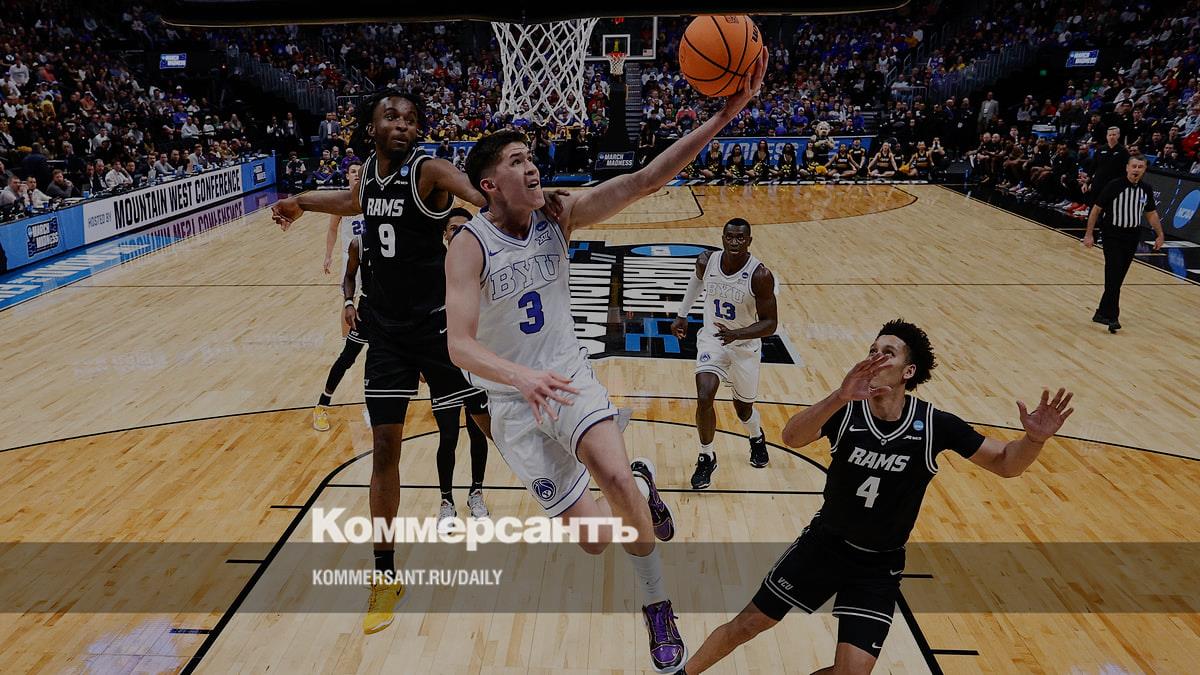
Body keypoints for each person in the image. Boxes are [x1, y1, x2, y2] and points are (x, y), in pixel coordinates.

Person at [445, 50, 768, 674]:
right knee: (596, 540)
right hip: (514, 401)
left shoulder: (558, 214)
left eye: (531, 157)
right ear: (489, 184)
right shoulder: (469, 246)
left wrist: (728, 114)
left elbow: (645, 180)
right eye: (516, 161)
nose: (532, 166)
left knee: (612, 481)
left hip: (567, 378)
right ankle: (644, 482)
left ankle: (657, 604)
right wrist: (520, 377)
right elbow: (459, 345)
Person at [272, 89, 566, 635]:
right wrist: (302, 202)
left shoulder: (428, 170)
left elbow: (482, 192)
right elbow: (352, 202)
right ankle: (385, 575)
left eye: (410, 118)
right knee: (386, 451)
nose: (403, 125)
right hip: (386, 333)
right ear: (372, 127)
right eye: (391, 117)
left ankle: (571, 488)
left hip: (439, 328)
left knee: (495, 426)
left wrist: (530, 199)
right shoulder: (369, 176)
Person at [679, 320, 1076, 675]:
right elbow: (791, 437)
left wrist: (1034, 440)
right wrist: (839, 396)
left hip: (879, 565)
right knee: (748, 624)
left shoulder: (935, 425)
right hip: (824, 546)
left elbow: (1006, 464)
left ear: (908, 372)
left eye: (888, 352)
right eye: (872, 349)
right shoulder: (847, 410)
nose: (875, 357)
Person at [670, 218, 778, 489]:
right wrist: (682, 314)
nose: (734, 242)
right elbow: (696, 282)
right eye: (729, 236)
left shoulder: (760, 275)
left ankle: (756, 437)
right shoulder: (707, 261)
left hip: (745, 346)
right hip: (713, 340)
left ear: (749, 241)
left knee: (743, 410)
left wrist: (737, 334)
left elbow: (770, 323)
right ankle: (706, 456)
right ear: (722, 238)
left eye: (740, 238)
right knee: (704, 395)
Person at [1082, 154, 1164, 333]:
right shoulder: (1114, 185)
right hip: (1112, 235)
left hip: (1132, 236)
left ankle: (1101, 312)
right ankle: (1113, 317)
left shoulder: (1146, 189)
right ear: (1127, 168)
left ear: (1145, 169)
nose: (1136, 170)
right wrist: (1089, 234)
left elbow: (1151, 213)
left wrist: (1160, 234)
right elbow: (1096, 210)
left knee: (1118, 277)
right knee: (1113, 273)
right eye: (1134, 166)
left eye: (1140, 167)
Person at [313, 161, 367, 432]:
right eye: (353, 172)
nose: (356, 175)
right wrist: (328, 255)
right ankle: (322, 404)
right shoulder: (342, 202)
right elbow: (332, 229)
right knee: (348, 354)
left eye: (360, 172)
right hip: (352, 256)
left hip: (379, 280)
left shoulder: (373, 200)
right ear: (347, 176)